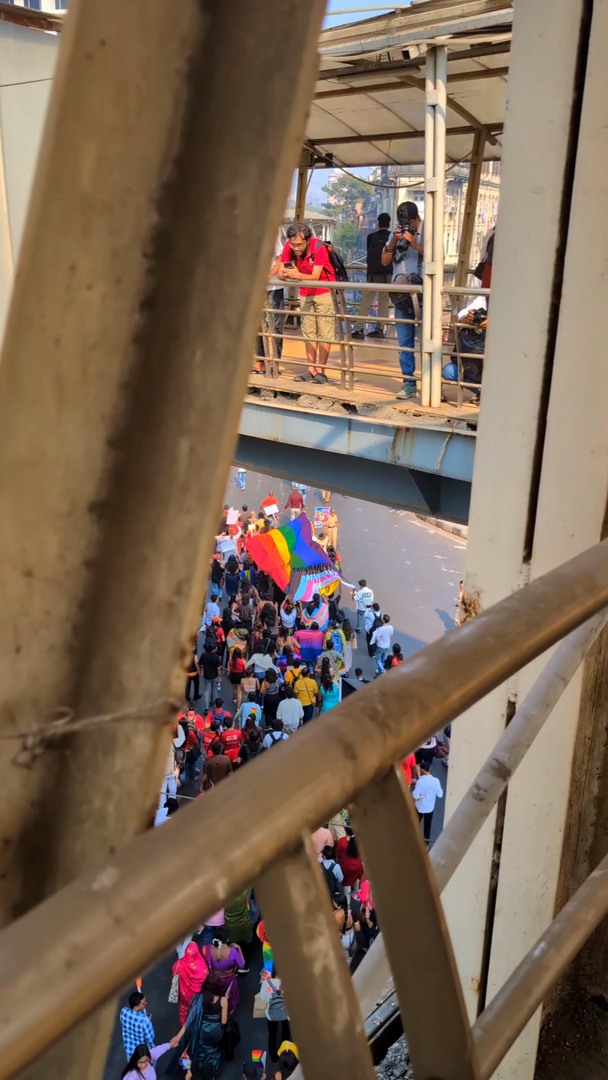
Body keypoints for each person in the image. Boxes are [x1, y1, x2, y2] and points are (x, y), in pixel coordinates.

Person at [277, 222, 337, 384]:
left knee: (325, 332)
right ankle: (311, 369)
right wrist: (285, 274)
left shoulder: (318, 247)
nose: (295, 248)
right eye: (293, 244)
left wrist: (296, 275)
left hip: (324, 291)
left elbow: (315, 276)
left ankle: (321, 371)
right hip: (305, 292)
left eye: (299, 245)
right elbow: (281, 273)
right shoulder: (289, 246)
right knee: (309, 332)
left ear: (307, 240)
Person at [381, 200, 424, 400]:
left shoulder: (427, 235)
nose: (406, 226)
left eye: (409, 223)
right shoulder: (394, 235)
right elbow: (385, 261)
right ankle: (409, 382)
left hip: (423, 294)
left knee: (427, 340)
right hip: (401, 295)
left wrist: (415, 244)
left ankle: (433, 384)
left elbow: (437, 258)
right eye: (402, 223)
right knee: (404, 341)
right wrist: (393, 242)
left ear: (417, 219)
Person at [352, 211, 393, 338]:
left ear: (378, 223)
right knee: (383, 303)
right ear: (389, 223)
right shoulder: (392, 237)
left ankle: (359, 329)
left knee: (366, 301)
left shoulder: (371, 237)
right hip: (387, 273)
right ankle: (380, 329)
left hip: (372, 273)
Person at [183, 972, 229, 1079]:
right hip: (216, 1030)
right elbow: (224, 1021)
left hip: (203, 1028)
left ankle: (201, 1065)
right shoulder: (223, 1000)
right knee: (214, 1050)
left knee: (203, 1047)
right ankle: (211, 1072)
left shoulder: (200, 998)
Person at [442, 295, 487, 404]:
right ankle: (483, 392)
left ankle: (493, 392)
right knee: (449, 371)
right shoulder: (484, 298)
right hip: (476, 352)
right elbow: (462, 313)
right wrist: (468, 318)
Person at [201, 929, 245, 1013]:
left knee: (216, 995)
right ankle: (228, 1012)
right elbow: (242, 965)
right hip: (229, 980)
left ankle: (217, 1009)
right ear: (227, 940)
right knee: (231, 996)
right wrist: (239, 949)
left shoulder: (208, 948)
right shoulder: (232, 952)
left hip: (214, 980)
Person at [172, 942, 209, 1026]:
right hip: (197, 995)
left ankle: (183, 1024)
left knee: (183, 1009)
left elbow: (174, 977)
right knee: (196, 1008)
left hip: (184, 993)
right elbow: (205, 976)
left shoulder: (179, 964)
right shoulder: (201, 964)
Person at [260, 970, 292, 1066]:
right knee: (286, 1032)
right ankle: (285, 1052)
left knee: (272, 1035)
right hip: (286, 1013)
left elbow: (263, 998)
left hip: (271, 1014)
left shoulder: (267, 983)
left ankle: (274, 1059)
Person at [412, 763, 444, 842]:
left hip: (419, 807)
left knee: (415, 824)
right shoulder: (436, 781)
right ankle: (426, 843)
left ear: (422, 770)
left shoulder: (420, 782)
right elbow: (440, 795)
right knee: (427, 826)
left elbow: (415, 796)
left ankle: (412, 839)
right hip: (430, 808)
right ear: (429, 769)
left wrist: (421, 797)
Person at [120, 991, 156, 1059]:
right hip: (142, 1053)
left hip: (129, 1050)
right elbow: (150, 1038)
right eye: (143, 1003)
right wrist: (149, 1021)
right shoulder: (145, 1021)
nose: (146, 1003)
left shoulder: (124, 1011)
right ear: (136, 1007)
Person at [224, 888, 253, 969]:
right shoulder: (243, 893)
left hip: (232, 925)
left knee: (234, 944)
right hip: (245, 922)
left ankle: (237, 963)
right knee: (247, 943)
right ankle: (245, 962)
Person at [200, 644, 222, 712]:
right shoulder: (217, 657)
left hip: (206, 676)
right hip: (214, 676)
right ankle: (212, 700)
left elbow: (200, 664)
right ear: (214, 649)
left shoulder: (203, 655)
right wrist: (219, 676)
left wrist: (201, 671)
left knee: (207, 691)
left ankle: (206, 707)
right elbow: (218, 668)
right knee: (214, 689)